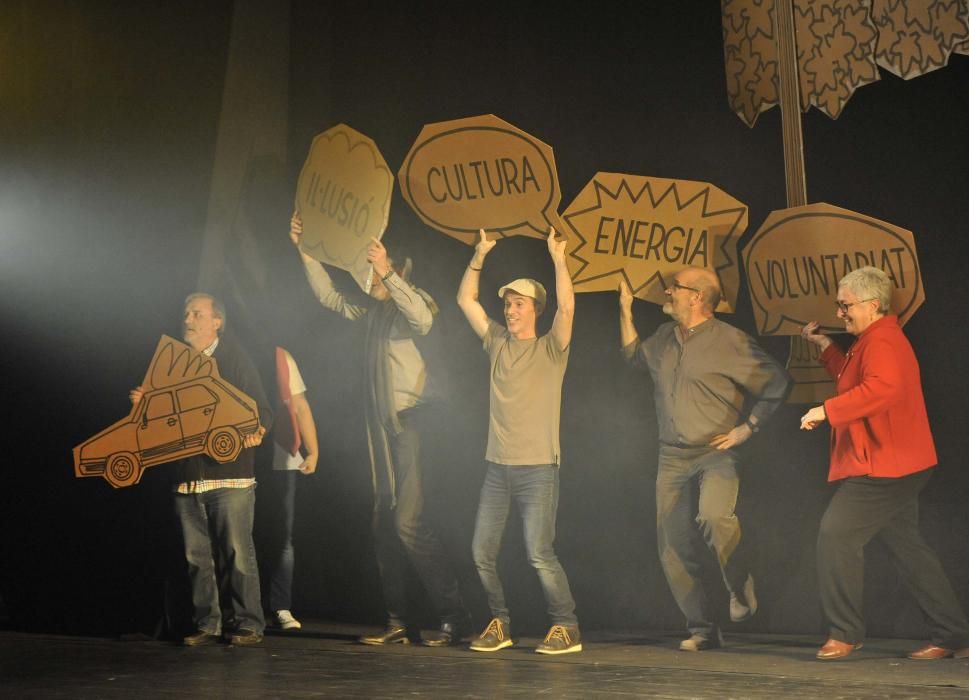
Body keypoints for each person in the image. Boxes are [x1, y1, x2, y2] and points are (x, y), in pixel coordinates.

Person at [290, 212, 467, 646]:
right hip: (381, 426)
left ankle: (454, 615)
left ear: (397, 269)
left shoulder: (415, 301)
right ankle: (397, 622)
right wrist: (306, 252)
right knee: (382, 523)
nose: (364, 277)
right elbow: (331, 298)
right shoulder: (370, 310)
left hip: (413, 422)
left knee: (408, 522)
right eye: (365, 270)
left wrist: (387, 271)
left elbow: (423, 320)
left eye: (371, 270)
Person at [799, 266, 969, 660]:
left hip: (888, 465)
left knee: (836, 534)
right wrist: (824, 344)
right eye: (839, 306)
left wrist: (825, 410)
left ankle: (845, 632)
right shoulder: (870, 339)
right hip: (895, 461)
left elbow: (882, 388)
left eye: (845, 306)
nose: (840, 313)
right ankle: (953, 634)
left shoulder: (884, 341)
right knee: (907, 547)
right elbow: (851, 377)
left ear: (872, 305)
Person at [617, 267, 790, 652]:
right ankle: (702, 628)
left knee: (713, 516)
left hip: (715, 452)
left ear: (696, 297)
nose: (667, 291)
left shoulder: (730, 341)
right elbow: (633, 360)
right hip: (671, 456)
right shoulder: (664, 337)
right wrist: (624, 310)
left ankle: (739, 586)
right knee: (672, 544)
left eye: (674, 287)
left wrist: (748, 428)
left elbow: (777, 383)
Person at [457, 227, 582, 655]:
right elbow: (465, 301)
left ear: (535, 310)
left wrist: (558, 258)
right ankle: (499, 624)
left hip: (538, 469)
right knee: (480, 551)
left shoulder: (552, 349)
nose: (510, 311)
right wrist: (479, 256)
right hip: (497, 468)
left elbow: (568, 306)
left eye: (518, 304)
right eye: (507, 304)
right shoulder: (496, 343)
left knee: (539, 553)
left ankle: (566, 627)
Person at [130, 293, 272, 646]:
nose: (188, 319)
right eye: (186, 313)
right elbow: (162, 421)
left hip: (230, 474)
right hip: (187, 477)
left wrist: (256, 431)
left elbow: (262, 408)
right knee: (196, 557)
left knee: (237, 552)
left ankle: (248, 623)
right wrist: (143, 405)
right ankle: (207, 624)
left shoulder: (234, 358)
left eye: (197, 313)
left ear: (217, 322)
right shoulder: (172, 364)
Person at [264, 347, 319, 630]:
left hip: (282, 457)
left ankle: (280, 606)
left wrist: (313, 451)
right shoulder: (230, 352)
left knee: (282, 536)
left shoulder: (281, 357)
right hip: (243, 458)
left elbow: (300, 405)